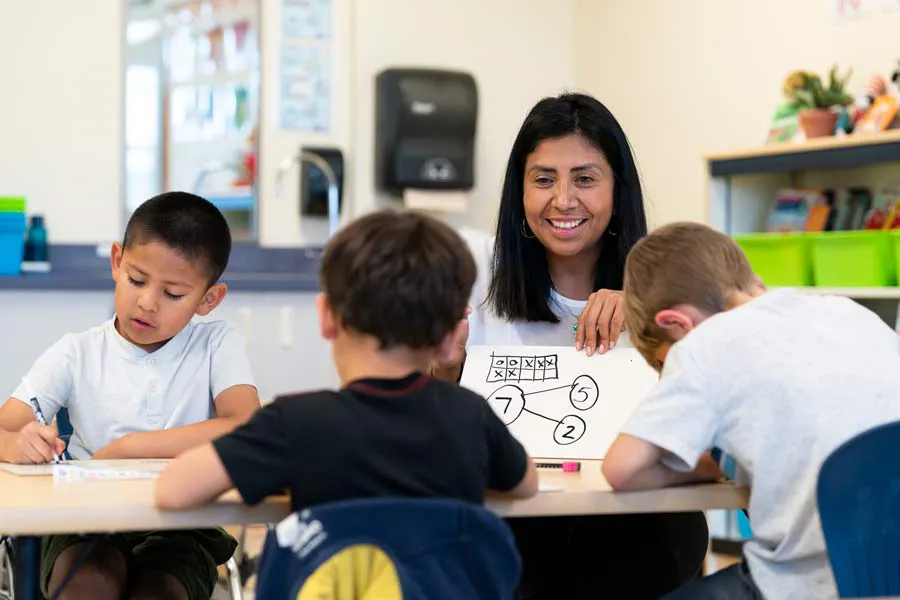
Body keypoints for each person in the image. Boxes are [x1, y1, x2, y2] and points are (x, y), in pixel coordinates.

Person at [433, 92, 710, 599]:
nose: (563, 200)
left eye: (585, 178)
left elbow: (707, 423)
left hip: (638, 531)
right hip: (514, 526)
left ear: (617, 190)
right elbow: (439, 429)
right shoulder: (477, 279)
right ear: (519, 191)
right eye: (543, 179)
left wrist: (648, 312)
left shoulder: (670, 286)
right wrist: (446, 368)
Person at [155, 208, 538, 513]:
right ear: (450, 335)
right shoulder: (471, 416)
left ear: (326, 316)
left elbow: (173, 490)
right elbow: (527, 483)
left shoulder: (295, 424)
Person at [603, 221, 900, 600]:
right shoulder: (848, 313)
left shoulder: (705, 344)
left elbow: (622, 469)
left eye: (664, 364)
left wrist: (686, 469)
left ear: (676, 324)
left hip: (808, 585)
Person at [0, 191, 260, 600]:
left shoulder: (215, 343)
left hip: (183, 524)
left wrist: (128, 447)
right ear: (117, 261)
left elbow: (244, 425)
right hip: (82, 520)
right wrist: (18, 443)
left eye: (173, 294)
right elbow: (4, 429)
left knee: (158, 591)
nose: (147, 303)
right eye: (137, 280)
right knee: (91, 584)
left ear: (208, 299)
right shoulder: (77, 352)